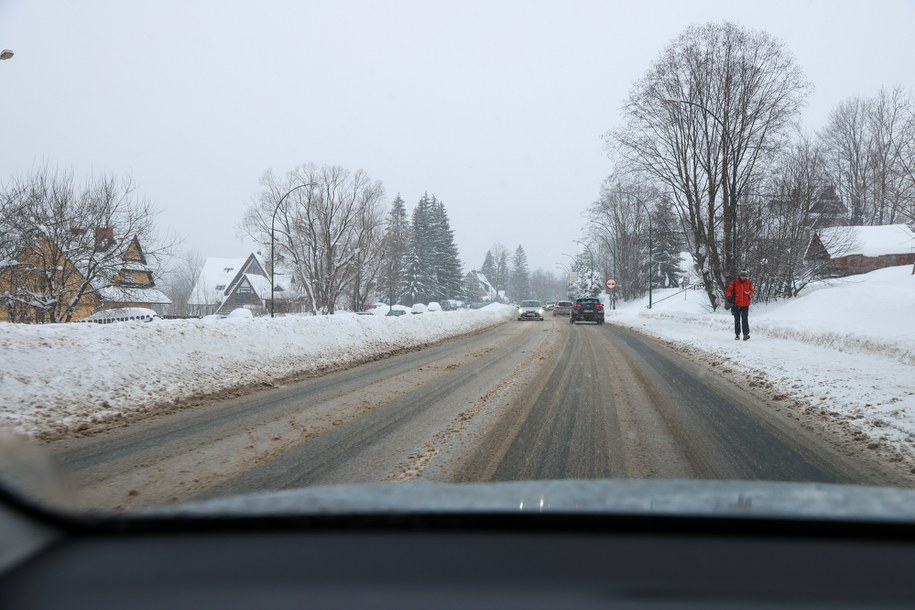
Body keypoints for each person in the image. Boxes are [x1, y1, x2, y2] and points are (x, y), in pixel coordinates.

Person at [726, 269, 754, 341]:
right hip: (736, 304)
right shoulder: (734, 282)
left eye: (744, 276)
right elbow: (729, 291)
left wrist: (749, 292)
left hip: (745, 304)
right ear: (739, 275)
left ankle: (745, 334)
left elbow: (752, 292)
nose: (743, 277)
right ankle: (737, 335)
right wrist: (729, 297)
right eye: (742, 276)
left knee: (745, 320)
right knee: (737, 320)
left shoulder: (748, 282)